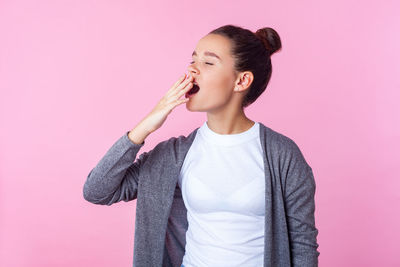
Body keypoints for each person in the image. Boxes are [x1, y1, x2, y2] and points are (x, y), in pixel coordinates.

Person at [83, 24, 320, 267]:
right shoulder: (174, 155)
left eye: (208, 63)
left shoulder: (283, 155)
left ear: (241, 81)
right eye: (193, 59)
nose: (192, 70)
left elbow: (302, 243)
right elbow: (97, 190)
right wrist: (145, 126)